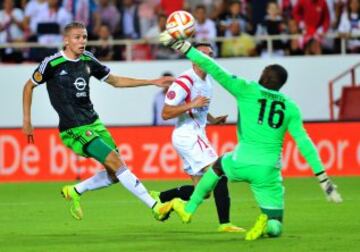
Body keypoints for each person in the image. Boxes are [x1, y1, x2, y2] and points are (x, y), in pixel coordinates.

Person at [159, 31, 343, 240]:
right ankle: (268, 225)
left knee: (218, 166)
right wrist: (323, 180)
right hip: (269, 170)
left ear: (264, 75)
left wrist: (182, 46)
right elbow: (305, 143)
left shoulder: (247, 89)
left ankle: (190, 208)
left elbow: (213, 67)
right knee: (276, 224)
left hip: (241, 161)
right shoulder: (290, 107)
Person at [22, 21, 174, 222]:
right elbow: (28, 86)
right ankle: (155, 206)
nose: (82, 41)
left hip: (94, 123)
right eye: (77, 37)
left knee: (114, 174)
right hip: (73, 128)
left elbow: (116, 81)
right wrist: (27, 120)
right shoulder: (51, 64)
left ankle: (76, 190)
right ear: (66, 40)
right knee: (117, 163)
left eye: (84, 37)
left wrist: (151, 81)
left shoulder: (88, 59)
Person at [150, 42, 243, 233]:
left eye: (210, 54)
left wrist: (212, 118)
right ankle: (225, 224)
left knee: (205, 190)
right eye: (203, 55)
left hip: (196, 134)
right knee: (219, 175)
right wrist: (191, 104)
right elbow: (166, 113)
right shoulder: (184, 81)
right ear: (193, 58)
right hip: (187, 135)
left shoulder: (207, 81)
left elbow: (199, 107)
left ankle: (162, 197)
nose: (208, 58)